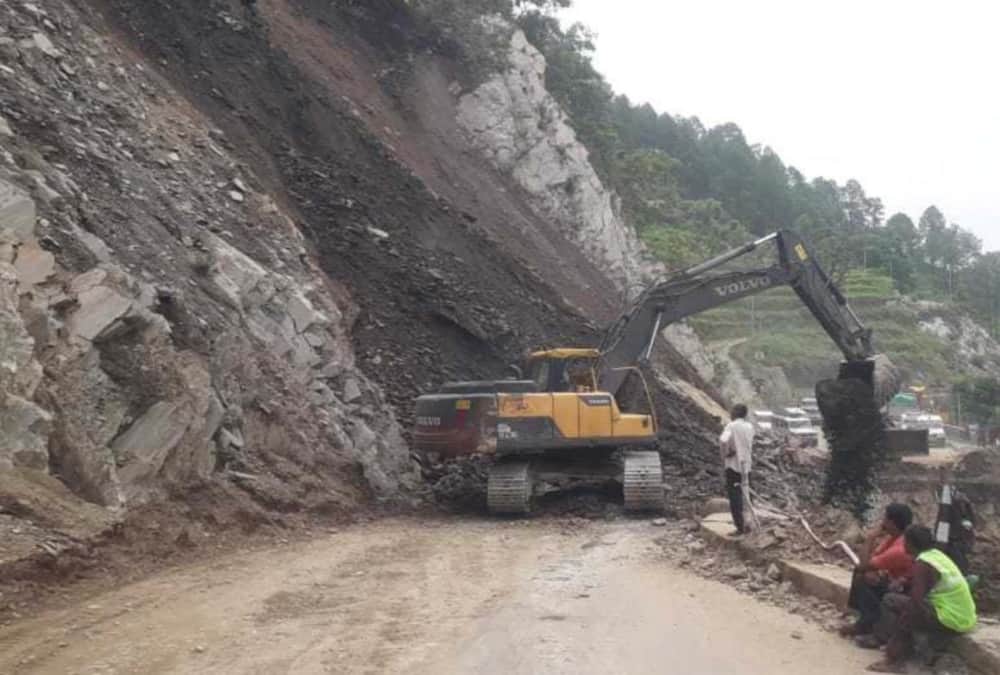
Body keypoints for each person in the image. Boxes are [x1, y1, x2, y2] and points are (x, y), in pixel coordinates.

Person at [867, 525, 977, 673]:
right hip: (964, 616)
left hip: (950, 618)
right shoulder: (935, 555)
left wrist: (898, 637)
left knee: (893, 601)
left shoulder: (923, 564)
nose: (903, 544)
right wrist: (904, 581)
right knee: (906, 604)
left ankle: (895, 658)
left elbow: (915, 604)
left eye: (905, 541)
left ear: (911, 544)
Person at [840, 504, 914, 639]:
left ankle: (866, 623)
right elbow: (872, 559)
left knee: (861, 577)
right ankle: (862, 617)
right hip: (896, 582)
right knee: (864, 574)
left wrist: (870, 537)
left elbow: (863, 564)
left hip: (904, 589)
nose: (882, 521)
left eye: (885, 518)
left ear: (891, 522)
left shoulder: (899, 548)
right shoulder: (894, 538)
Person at [719, 404, 754, 536]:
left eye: (732, 410)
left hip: (733, 466)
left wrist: (725, 453)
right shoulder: (750, 427)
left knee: (735, 497)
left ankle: (740, 527)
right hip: (747, 466)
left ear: (735, 412)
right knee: (747, 495)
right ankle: (749, 523)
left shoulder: (731, 426)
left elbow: (723, 441)